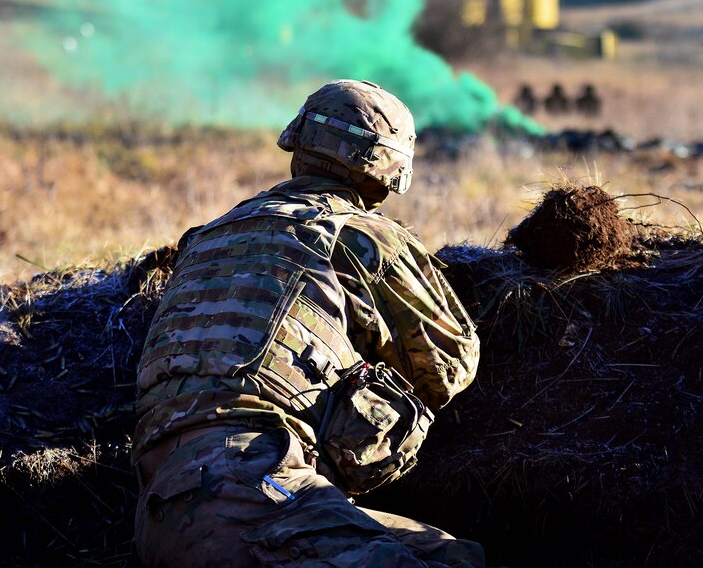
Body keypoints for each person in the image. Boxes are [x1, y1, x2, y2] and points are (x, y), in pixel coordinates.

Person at [133, 80, 484, 567]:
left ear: (299, 143)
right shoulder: (358, 232)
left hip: (165, 506)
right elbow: (447, 366)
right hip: (252, 485)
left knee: (455, 556)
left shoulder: (211, 233)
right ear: (387, 169)